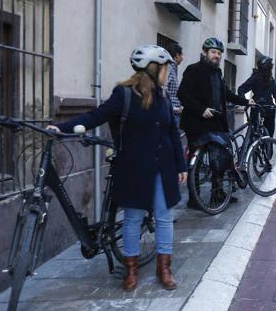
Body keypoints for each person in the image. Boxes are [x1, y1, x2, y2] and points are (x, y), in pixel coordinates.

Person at [49, 45, 187, 292]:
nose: (168, 72)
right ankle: (131, 269)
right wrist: (63, 128)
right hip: (133, 167)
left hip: (162, 167)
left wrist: (181, 165)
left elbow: (172, 134)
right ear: (154, 69)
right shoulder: (123, 94)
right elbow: (95, 116)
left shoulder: (164, 97)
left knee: (164, 218)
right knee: (133, 219)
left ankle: (164, 268)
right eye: (166, 67)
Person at [177, 37, 252, 207]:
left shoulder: (218, 73)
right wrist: (201, 109)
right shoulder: (193, 70)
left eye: (219, 53)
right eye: (213, 52)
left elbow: (227, 94)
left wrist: (246, 101)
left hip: (216, 123)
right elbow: (182, 94)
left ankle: (217, 194)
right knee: (194, 162)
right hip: (196, 124)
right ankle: (194, 200)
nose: (216, 56)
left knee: (220, 159)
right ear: (205, 53)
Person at [237, 56, 276, 137]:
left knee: (269, 135)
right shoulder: (255, 78)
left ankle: (268, 148)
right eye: (269, 68)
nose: (270, 70)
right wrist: (245, 101)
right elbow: (241, 89)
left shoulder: (271, 80)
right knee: (252, 132)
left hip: (269, 108)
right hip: (256, 107)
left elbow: (275, 92)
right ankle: (249, 146)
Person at [164, 42, 184, 126]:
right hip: (171, 113)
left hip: (174, 113)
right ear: (177, 55)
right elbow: (164, 89)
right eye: (182, 54)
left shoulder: (173, 68)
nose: (183, 57)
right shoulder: (169, 68)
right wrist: (174, 108)